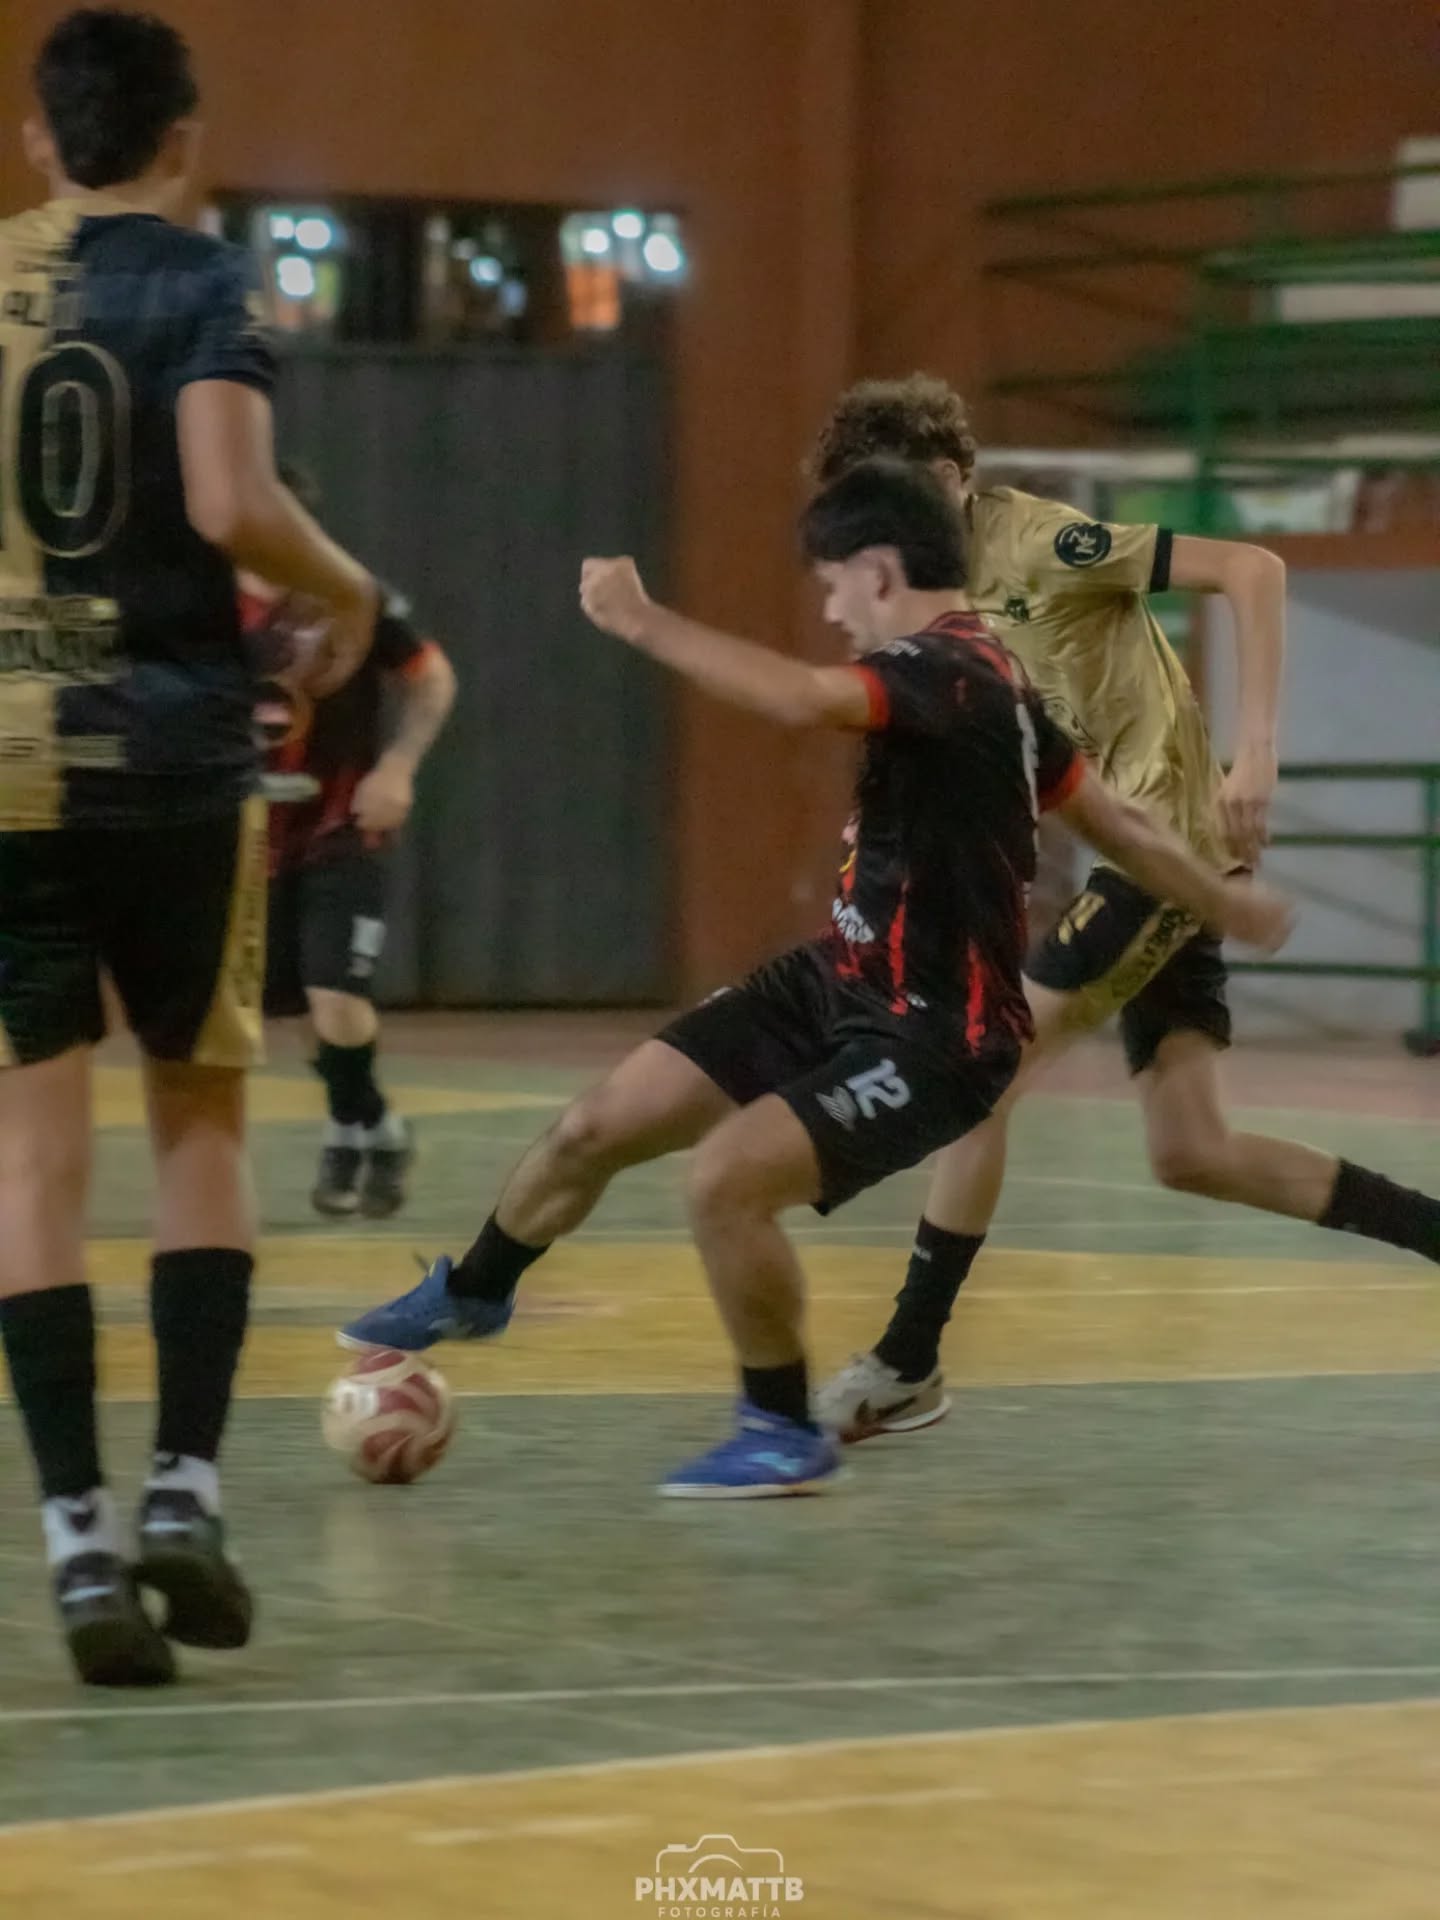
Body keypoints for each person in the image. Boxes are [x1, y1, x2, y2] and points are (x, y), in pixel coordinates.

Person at [335, 459, 1291, 1497]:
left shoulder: (948, 670)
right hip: (837, 979)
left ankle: (780, 1430)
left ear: (879, 572)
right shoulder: (993, 684)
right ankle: (477, 1289)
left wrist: (641, 620)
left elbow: (798, 700)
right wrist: (1224, 900)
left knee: (726, 1184)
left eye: (834, 586)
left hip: (934, 1037)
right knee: (594, 1126)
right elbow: (1121, 829)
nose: (832, 612)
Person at [803, 376, 1440, 1440]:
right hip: (1139, 854)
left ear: (950, 483)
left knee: (984, 1078)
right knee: (1193, 1151)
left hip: (1168, 846)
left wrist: (1258, 754)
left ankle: (907, 1361)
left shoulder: (1044, 543)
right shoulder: (932, 604)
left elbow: (1252, 567)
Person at [0, 8, 378, 1686]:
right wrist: (345, 586)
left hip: (11, 756)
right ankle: (185, 1496)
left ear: (39, 136)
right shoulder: (208, 281)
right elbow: (228, 504)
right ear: (182, 140)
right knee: (199, 1125)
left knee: (30, 1165)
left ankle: (74, 1545)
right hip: (172, 753)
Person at [246, 464, 456, 1218]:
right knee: (299, 1009)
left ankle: (357, 1130)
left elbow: (432, 677)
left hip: (340, 827)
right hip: (248, 840)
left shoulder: (350, 597)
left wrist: (397, 768)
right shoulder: (200, 602)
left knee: (335, 997)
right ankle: (368, 1124)